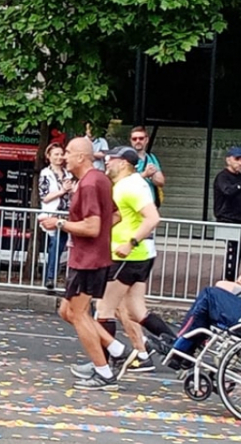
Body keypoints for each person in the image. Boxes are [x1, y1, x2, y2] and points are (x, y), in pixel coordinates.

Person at [40, 138, 134, 391]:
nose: (64, 157)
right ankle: (117, 350)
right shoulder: (100, 179)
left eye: (68, 153)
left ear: (81, 157)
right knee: (66, 311)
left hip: (87, 260)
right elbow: (115, 215)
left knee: (78, 314)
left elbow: (92, 227)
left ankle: (104, 373)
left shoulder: (90, 184)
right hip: (91, 257)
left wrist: (59, 223)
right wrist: (101, 235)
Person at [70, 147, 160, 380]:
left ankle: (104, 366)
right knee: (136, 311)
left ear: (124, 163)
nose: (107, 162)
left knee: (103, 310)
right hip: (134, 254)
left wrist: (130, 243)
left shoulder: (128, 186)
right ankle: (178, 350)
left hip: (126, 256)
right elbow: (118, 216)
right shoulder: (129, 183)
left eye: (112, 159)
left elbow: (153, 217)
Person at [38, 142, 73, 290]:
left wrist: (72, 190)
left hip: (67, 215)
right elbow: (44, 197)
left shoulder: (68, 173)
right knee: (56, 245)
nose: (59, 157)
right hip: (53, 215)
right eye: (56, 154)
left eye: (61, 154)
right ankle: (50, 277)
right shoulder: (45, 174)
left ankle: (53, 277)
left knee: (60, 246)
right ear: (49, 156)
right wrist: (63, 191)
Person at [129, 126, 165, 207]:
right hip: (133, 204)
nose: (138, 141)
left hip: (150, 204)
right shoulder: (126, 158)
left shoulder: (151, 157)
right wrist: (145, 174)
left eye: (141, 138)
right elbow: (124, 182)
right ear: (131, 141)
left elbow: (161, 182)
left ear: (147, 140)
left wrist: (152, 175)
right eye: (134, 139)